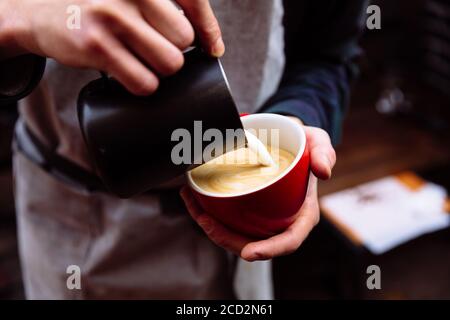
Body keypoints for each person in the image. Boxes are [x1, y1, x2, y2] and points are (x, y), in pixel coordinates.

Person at [0, 0, 366, 299]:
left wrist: (295, 126)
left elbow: (326, 53)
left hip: (242, 229)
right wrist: (21, 16)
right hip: (76, 225)